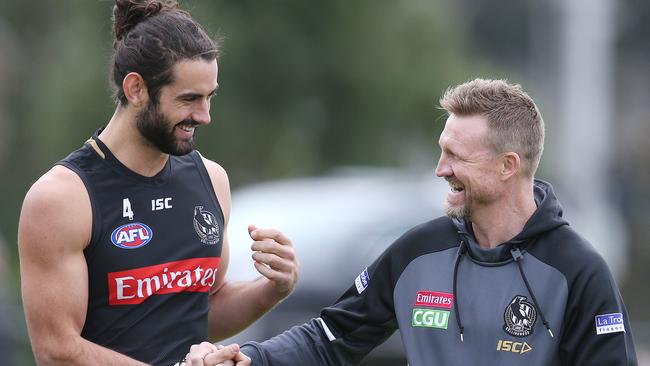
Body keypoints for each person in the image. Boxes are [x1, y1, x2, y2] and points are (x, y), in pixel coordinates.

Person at [235, 79, 638, 365]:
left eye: (456, 156)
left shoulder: (578, 271)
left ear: (507, 166)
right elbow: (329, 339)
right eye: (441, 152)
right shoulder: (417, 252)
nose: (440, 169)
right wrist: (249, 358)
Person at [17, 1, 298, 365]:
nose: (204, 116)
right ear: (136, 89)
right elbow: (57, 351)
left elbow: (200, 311)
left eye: (210, 97)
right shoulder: (61, 198)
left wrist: (273, 289)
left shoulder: (211, 179)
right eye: (189, 99)